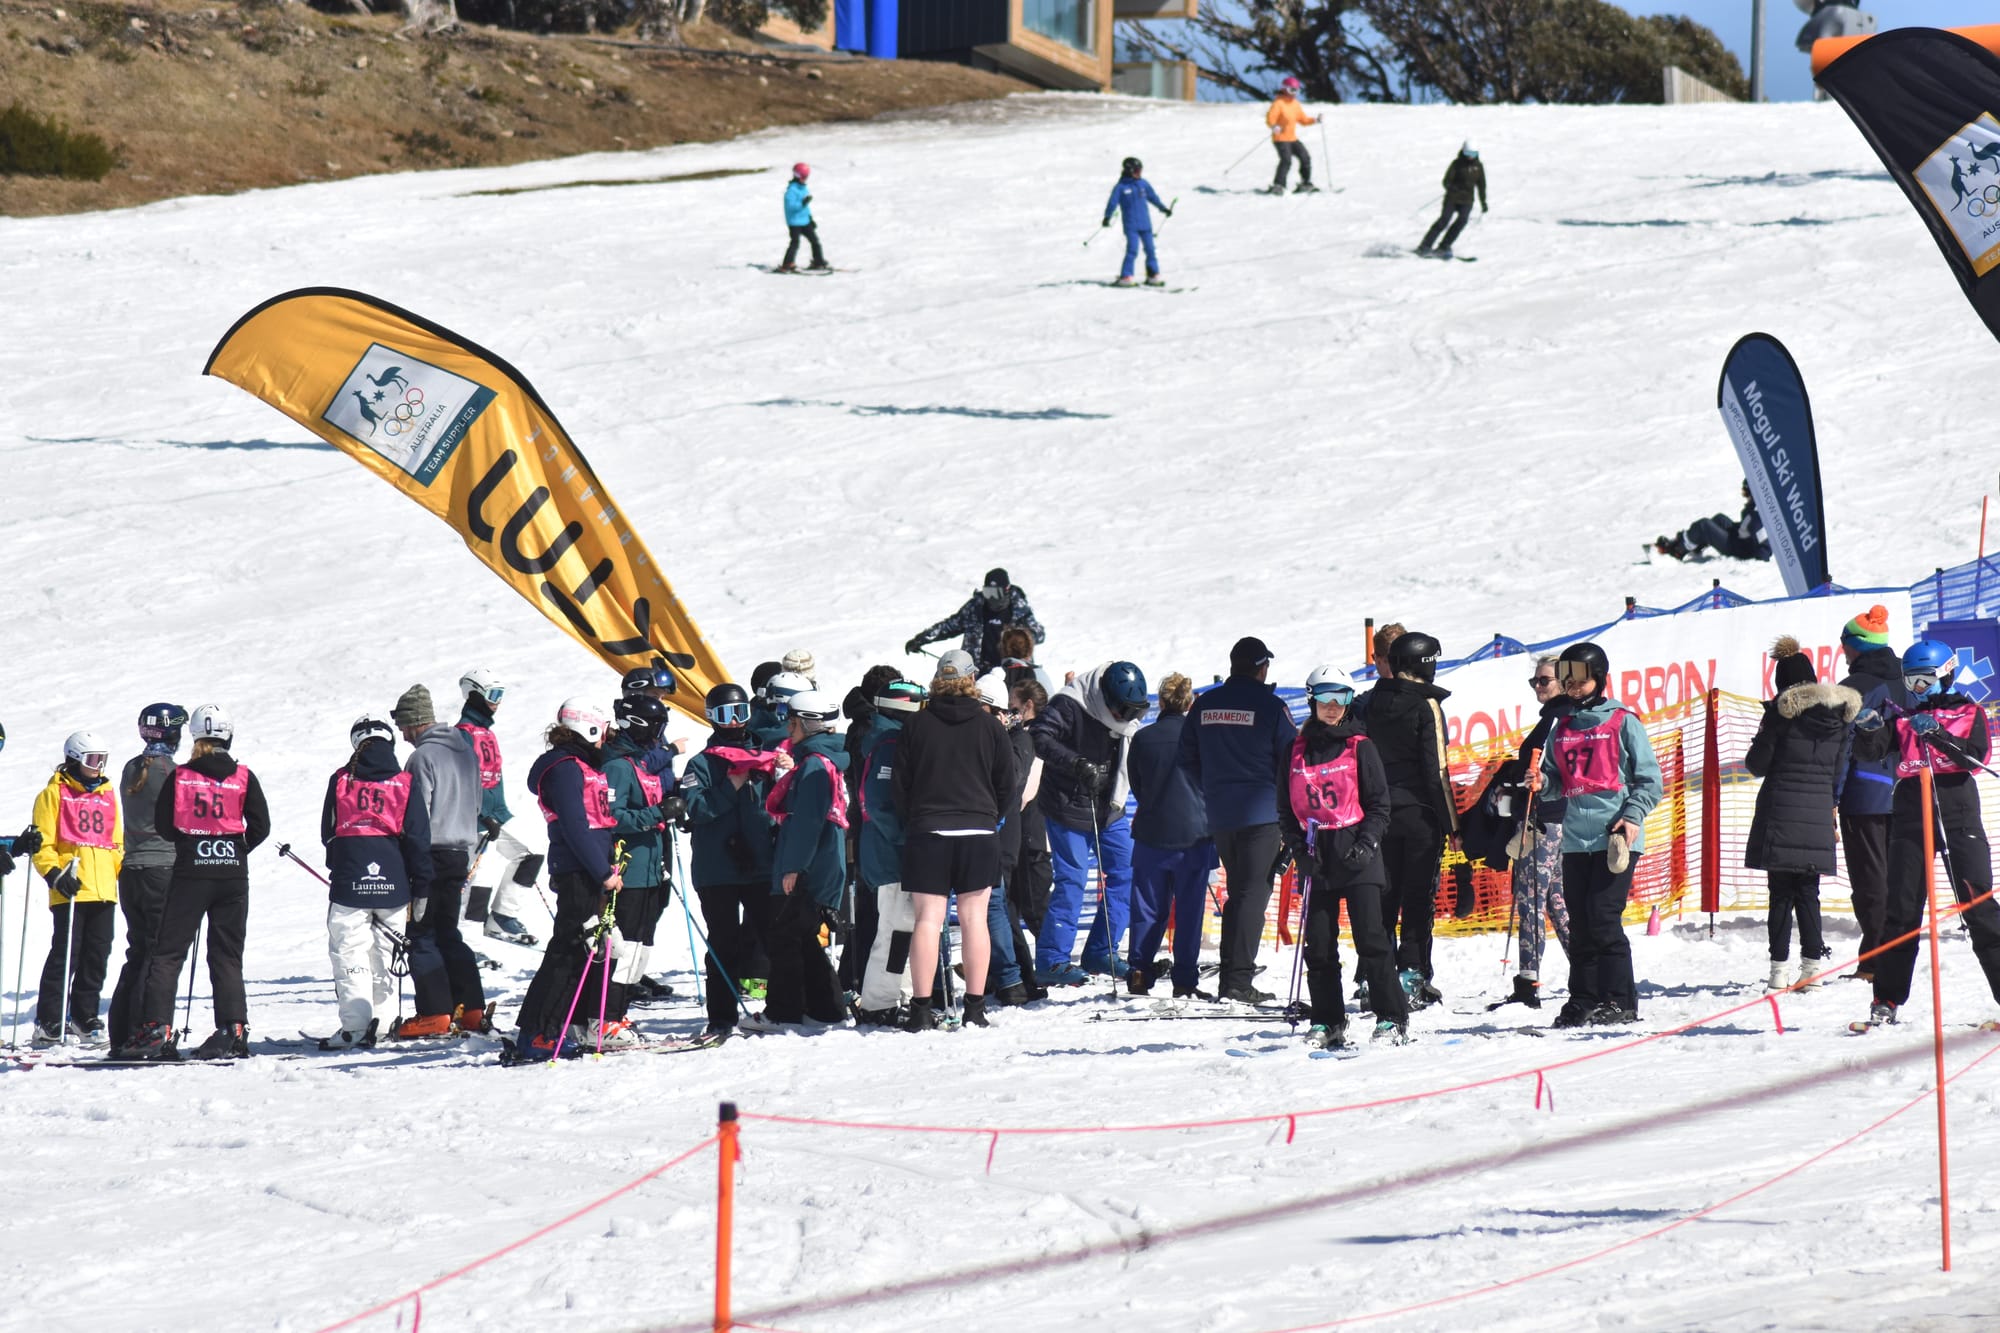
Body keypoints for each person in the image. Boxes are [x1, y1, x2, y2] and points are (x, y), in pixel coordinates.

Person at [1849, 640, 2000, 1029]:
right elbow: (1872, 751)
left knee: (1978, 904)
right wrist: (1867, 730)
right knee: (1900, 910)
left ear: (1946, 674)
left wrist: (1938, 733)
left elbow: (1975, 758)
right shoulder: (1900, 717)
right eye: (1911, 682)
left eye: (1925, 681)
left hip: (1957, 813)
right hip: (1911, 815)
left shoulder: (1970, 711)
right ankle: (1886, 999)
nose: (1918, 689)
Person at [121, 704, 272, 1061]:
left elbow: (164, 824)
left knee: (169, 953)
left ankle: (156, 1029)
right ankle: (232, 1028)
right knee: (227, 955)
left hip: (191, 872)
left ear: (194, 736)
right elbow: (261, 825)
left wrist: (192, 845)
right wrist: (236, 849)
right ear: (228, 737)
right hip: (232, 873)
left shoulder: (182, 775)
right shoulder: (244, 776)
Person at [1278, 666, 1408, 1047]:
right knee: (1318, 944)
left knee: (1371, 939)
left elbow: (1380, 804)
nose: (1333, 707)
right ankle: (1327, 1019)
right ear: (1311, 699)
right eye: (1325, 698)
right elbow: (1285, 809)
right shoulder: (1295, 750)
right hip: (1318, 854)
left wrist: (1367, 843)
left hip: (1358, 853)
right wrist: (1299, 850)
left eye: (1342, 699)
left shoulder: (1359, 746)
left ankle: (1391, 1017)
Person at [1537, 643, 1662, 1028]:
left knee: (1603, 917)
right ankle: (1584, 998)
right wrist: (1540, 782)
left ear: (1598, 676)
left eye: (1580, 678)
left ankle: (1620, 999)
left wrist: (1632, 815)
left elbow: (1649, 780)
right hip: (1577, 838)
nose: (1573, 686)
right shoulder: (1563, 726)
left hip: (1615, 835)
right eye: (1567, 680)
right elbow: (1557, 781)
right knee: (1581, 921)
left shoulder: (1622, 720)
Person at [1176, 636, 1298, 1004]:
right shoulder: (1272, 706)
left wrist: (1214, 786)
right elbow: (1292, 760)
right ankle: (1237, 982)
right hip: (1262, 814)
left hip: (1221, 815)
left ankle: (1233, 977)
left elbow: (1186, 758)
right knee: (1251, 894)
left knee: (1240, 895)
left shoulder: (1205, 704)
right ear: (1262, 668)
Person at [893, 671, 1017, 1030]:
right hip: (979, 830)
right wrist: (991, 816)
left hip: (928, 830)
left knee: (927, 920)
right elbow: (1007, 784)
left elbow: (900, 785)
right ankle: (975, 1008)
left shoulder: (916, 725)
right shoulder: (991, 726)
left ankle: (920, 1009)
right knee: (974, 918)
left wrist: (914, 819)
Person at [1744, 638, 1858, 991]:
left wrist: (1762, 734)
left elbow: (1756, 765)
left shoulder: (1780, 717)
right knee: (1809, 893)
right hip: (1818, 817)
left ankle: (1778, 971)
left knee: (1780, 894)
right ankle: (1811, 970)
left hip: (1780, 815)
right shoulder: (1838, 720)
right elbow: (1839, 771)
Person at [512, 699, 624, 1058]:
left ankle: (551, 1028)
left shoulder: (581, 765)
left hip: (589, 868)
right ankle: (536, 1033)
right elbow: (575, 826)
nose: (606, 738)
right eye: (603, 731)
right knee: (567, 951)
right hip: (579, 872)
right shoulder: (564, 768)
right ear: (589, 729)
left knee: (578, 951)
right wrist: (602, 872)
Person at [1031, 661, 1149, 986]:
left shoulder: (1124, 717)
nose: (1127, 717)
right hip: (1067, 805)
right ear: (1106, 698)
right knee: (1072, 880)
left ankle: (1101, 949)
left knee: (1126, 872)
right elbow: (1039, 735)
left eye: (1133, 711)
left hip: (1108, 806)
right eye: (1123, 710)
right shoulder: (1071, 704)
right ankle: (1052, 960)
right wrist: (1076, 763)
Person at [319, 716, 433, 1049]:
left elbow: (329, 832)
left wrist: (337, 866)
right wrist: (422, 885)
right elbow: (418, 838)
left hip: (350, 879)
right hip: (395, 882)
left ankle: (355, 1027)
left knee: (349, 951)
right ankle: (382, 1024)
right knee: (386, 951)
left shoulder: (341, 779)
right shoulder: (404, 782)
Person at [1360, 630, 1459, 1009]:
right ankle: (1412, 975)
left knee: (1381, 898)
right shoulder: (1426, 705)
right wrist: (1453, 826)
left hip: (1376, 814)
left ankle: (1375, 978)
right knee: (1417, 898)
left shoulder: (1370, 702)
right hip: (1419, 813)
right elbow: (1437, 770)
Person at [1468, 655, 1572, 1007]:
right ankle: (1590, 972)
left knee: (1529, 898)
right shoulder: (1557, 717)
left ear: (1562, 682)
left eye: (1545, 681)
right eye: (1535, 682)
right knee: (1555, 900)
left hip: (1543, 820)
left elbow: (1547, 769)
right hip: (1553, 819)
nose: (1539, 687)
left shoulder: (1558, 719)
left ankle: (1528, 982)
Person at [678, 682, 779, 1039]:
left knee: (771, 938)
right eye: (725, 715)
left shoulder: (764, 755)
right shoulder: (701, 764)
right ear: (711, 718)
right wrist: (731, 785)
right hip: (717, 869)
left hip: (759, 865)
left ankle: (780, 1006)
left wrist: (780, 772)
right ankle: (721, 1016)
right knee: (724, 941)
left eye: (741, 713)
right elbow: (696, 809)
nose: (735, 722)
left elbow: (779, 803)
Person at [394, 684, 487, 1038]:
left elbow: (417, 814)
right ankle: (471, 1008)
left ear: (416, 723)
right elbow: (477, 804)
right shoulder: (465, 752)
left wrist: (409, 857)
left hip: (430, 853)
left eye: (404, 726)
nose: (403, 735)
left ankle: (434, 1013)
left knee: (422, 934)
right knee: (448, 931)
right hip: (460, 852)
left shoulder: (422, 758)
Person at [758, 689, 850, 1028]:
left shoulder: (813, 764)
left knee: (785, 936)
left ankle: (784, 1011)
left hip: (808, 862)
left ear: (808, 725)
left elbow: (809, 821)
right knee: (802, 936)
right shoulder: (821, 759)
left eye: (792, 722)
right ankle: (825, 1008)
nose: (787, 729)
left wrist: (793, 866)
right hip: (820, 860)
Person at [29, 730, 122, 1048]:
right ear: (75, 759)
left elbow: (116, 841)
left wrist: (117, 872)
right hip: (70, 887)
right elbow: (43, 843)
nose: (99, 767)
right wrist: (55, 875)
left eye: (103, 761)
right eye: (94, 761)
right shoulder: (53, 794)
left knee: (97, 955)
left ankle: (84, 1017)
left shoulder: (107, 793)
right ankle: (49, 1020)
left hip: (103, 889)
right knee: (66, 954)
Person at [1125, 672, 1216, 998]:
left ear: (1161, 701)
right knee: (1190, 911)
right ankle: (1184, 980)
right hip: (1195, 835)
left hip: (1151, 831)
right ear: (1190, 702)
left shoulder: (1143, 738)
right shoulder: (1202, 738)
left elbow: (1136, 783)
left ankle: (1139, 970)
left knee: (1148, 908)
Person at [597, 695, 675, 1047]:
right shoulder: (617, 766)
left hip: (649, 869)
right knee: (624, 949)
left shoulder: (640, 763)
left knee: (639, 949)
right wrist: (657, 815)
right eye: (656, 726)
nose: (660, 734)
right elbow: (612, 816)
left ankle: (618, 1014)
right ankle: (605, 1017)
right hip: (628, 870)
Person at [108, 703, 185, 1051]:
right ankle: (145, 1030)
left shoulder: (131, 767)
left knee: (138, 951)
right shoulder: (172, 772)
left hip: (132, 870)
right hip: (162, 869)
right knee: (157, 953)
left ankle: (121, 1031)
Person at [1835, 605, 1906, 977]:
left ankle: (1876, 962)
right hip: (1907, 790)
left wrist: (1831, 798)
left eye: (1844, 643)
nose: (1842, 651)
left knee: (1870, 881)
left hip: (1864, 795)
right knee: (1898, 879)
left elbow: (1840, 748)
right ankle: (1893, 956)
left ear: (1857, 646)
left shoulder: (1854, 687)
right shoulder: (1907, 679)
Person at [854, 679, 926, 1024]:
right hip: (891, 853)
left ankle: (898, 994)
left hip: (891, 851)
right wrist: (907, 838)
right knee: (896, 929)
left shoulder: (892, 740)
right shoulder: (890, 744)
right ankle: (879, 1002)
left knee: (904, 927)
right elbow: (880, 802)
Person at [456, 668, 542, 950]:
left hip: (497, 815)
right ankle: (467, 943)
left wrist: (497, 813)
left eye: (501, 695)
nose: (498, 702)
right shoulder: (462, 735)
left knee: (530, 853)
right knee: (478, 880)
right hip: (474, 820)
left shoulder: (486, 733)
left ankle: (503, 916)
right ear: (475, 694)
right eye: (494, 695)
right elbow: (463, 781)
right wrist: (481, 815)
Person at [839, 664, 903, 995]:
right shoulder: (873, 729)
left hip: (863, 820)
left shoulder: (866, 724)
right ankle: (861, 979)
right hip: (872, 821)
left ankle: (854, 976)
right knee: (873, 910)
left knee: (870, 908)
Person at [1001, 678, 1053, 1004]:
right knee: (1014, 904)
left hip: (1031, 831)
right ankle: (1023, 967)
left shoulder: (1033, 737)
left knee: (1034, 907)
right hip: (1023, 831)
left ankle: (1051, 960)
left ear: (1027, 705)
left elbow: (1026, 789)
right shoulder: (1030, 735)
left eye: (1012, 705)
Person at [906, 569, 1046, 676]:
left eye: (996, 594)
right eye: (988, 593)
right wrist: (921, 639)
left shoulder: (1019, 609)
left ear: (1007, 590)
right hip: (977, 672)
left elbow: (1039, 634)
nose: (991, 599)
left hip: (1011, 673)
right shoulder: (976, 607)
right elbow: (949, 626)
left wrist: (1019, 639)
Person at [1101, 156, 1173, 288]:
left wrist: (1163, 208)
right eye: (1136, 171)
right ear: (1129, 171)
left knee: (1150, 250)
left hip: (1145, 224)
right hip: (1131, 225)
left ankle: (1153, 275)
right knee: (1132, 250)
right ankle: (1126, 277)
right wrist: (1107, 217)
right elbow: (1112, 203)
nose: (1139, 173)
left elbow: (1153, 197)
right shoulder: (1120, 187)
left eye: (1140, 171)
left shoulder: (1143, 184)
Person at [1655, 481, 1771, 563]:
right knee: (1719, 519)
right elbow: (1747, 528)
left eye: (1746, 492)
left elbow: (1763, 537)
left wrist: (1761, 559)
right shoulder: (1755, 507)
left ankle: (1677, 551)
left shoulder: (1757, 514)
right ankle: (1695, 545)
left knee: (1703, 525)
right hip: (1740, 541)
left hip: (1739, 550)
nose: (1745, 496)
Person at [1417, 140, 1486, 259]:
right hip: (1452, 198)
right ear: (1463, 152)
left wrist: (1483, 201)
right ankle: (1425, 246)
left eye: (1473, 154)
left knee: (1462, 221)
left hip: (1467, 200)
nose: (1470, 156)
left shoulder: (1478, 167)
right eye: (1468, 153)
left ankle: (1444, 246)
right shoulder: (1456, 164)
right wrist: (1451, 187)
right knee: (1444, 220)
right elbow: (1446, 181)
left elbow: (1481, 185)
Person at [1264, 76, 1319, 195]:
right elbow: (1270, 118)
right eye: (1291, 90)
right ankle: (1278, 185)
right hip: (1280, 139)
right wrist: (1274, 126)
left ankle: (1305, 183)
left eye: (1296, 90)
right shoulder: (1278, 103)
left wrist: (1315, 120)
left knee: (1305, 157)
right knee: (1286, 160)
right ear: (1284, 89)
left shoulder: (1295, 104)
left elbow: (1303, 120)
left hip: (1292, 138)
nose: (1294, 93)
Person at [778, 162, 829, 272]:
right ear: (797, 176)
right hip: (794, 222)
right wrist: (802, 203)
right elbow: (791, 207)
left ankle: (818, 261)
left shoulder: (802, 188)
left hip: (804, 221)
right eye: (804, 177)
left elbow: (805, 208)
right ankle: (787, 264)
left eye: (807, 177)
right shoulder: (791, 191)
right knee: (795, 243)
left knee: (815, 241)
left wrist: (810, 219)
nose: (806, 179)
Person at [999, 625, 1056, 698]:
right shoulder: (1039, 674)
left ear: (1003, 649)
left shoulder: (995, 674)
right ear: (1030, 649)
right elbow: (1051, 704)